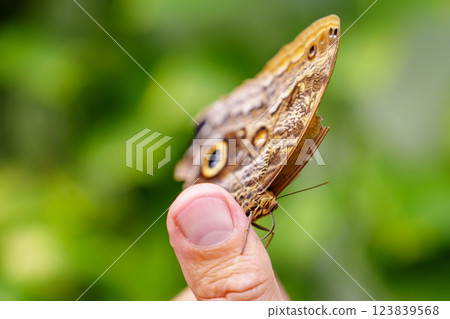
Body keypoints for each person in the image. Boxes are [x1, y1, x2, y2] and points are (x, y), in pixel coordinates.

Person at [167, 183, 289, 300]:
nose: (269, 209)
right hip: (223, 186)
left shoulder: (259, 208)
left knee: (271, 231)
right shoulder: (258, 197)